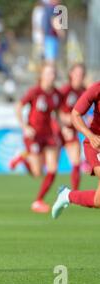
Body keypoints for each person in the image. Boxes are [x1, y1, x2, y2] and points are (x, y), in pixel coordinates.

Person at [15, 63, 62, 213]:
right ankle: (23, 159)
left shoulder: (56, 94)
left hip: (48, 135)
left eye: (53, 73)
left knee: (53, 169)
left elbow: (58, 113)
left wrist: (60, 130)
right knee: (37, 173)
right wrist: (25, 127)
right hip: (34, 135)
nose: (51, 76)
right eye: (48, 73)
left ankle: (38, 201)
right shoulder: (34, 91)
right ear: (41, 75)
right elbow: (18, 107)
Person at [52, 80, 100, 218]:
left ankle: (67, 195)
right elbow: (75, 114)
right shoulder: (96, 88)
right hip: (96, 144)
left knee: (98, 201)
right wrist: (91, 136)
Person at [52, 63, 87, 191]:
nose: (79, 76)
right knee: (51, 167)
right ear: (71, 74)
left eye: (82, 74)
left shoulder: (84, 91)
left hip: (71, 131)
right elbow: (55, 110)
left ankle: (75, 194)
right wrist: (63, 126)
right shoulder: (65, 91)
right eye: (77, 73)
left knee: (76, 163)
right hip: (58, 130)